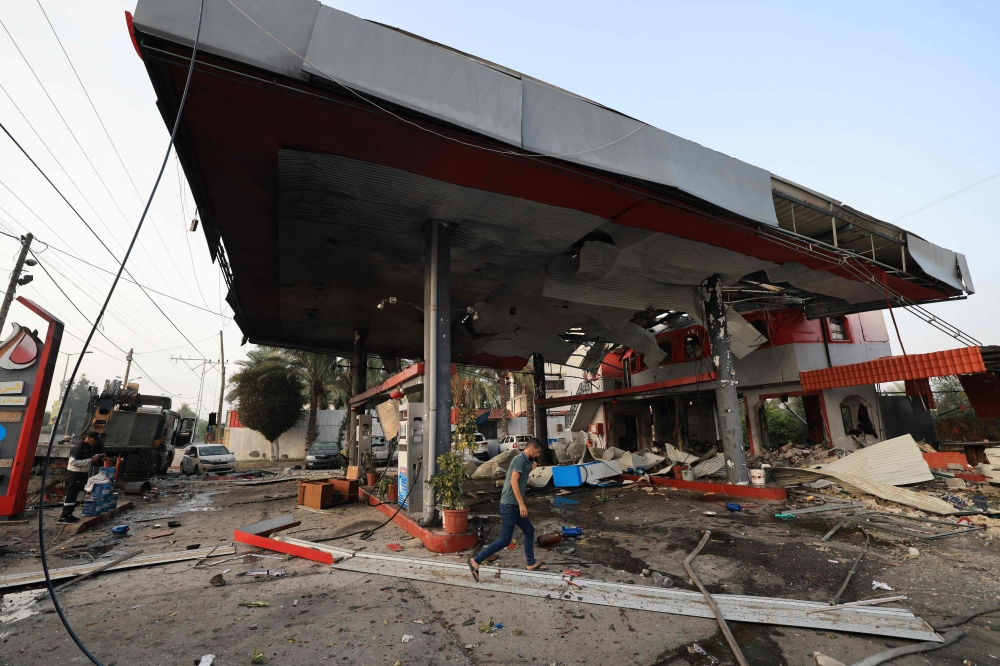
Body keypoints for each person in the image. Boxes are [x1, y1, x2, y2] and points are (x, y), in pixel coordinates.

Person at [469, 438, 546, 581]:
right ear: (531, 449)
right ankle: (476, 560)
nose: (538, 454)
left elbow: (521, 478)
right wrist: (522, 503)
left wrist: (530, 468)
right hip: (510, 506)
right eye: (537, 451)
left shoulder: (525, 461)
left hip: (514, 505)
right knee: (505, 540)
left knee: (529, 530)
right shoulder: (519, 460)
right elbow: (513, 481)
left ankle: (530, 563)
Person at [57, 431, 105, 524]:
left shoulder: (88, 447)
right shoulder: (79, 447)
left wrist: (98, 456)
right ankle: (64, 516)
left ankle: (70, 514)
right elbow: (73, 462)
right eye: (94, 439)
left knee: (78, 495)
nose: (95, 442)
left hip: (82, 474)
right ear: (89, 437)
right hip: (75, 474)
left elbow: (87, 458)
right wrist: (90, 460)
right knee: (71, 495)